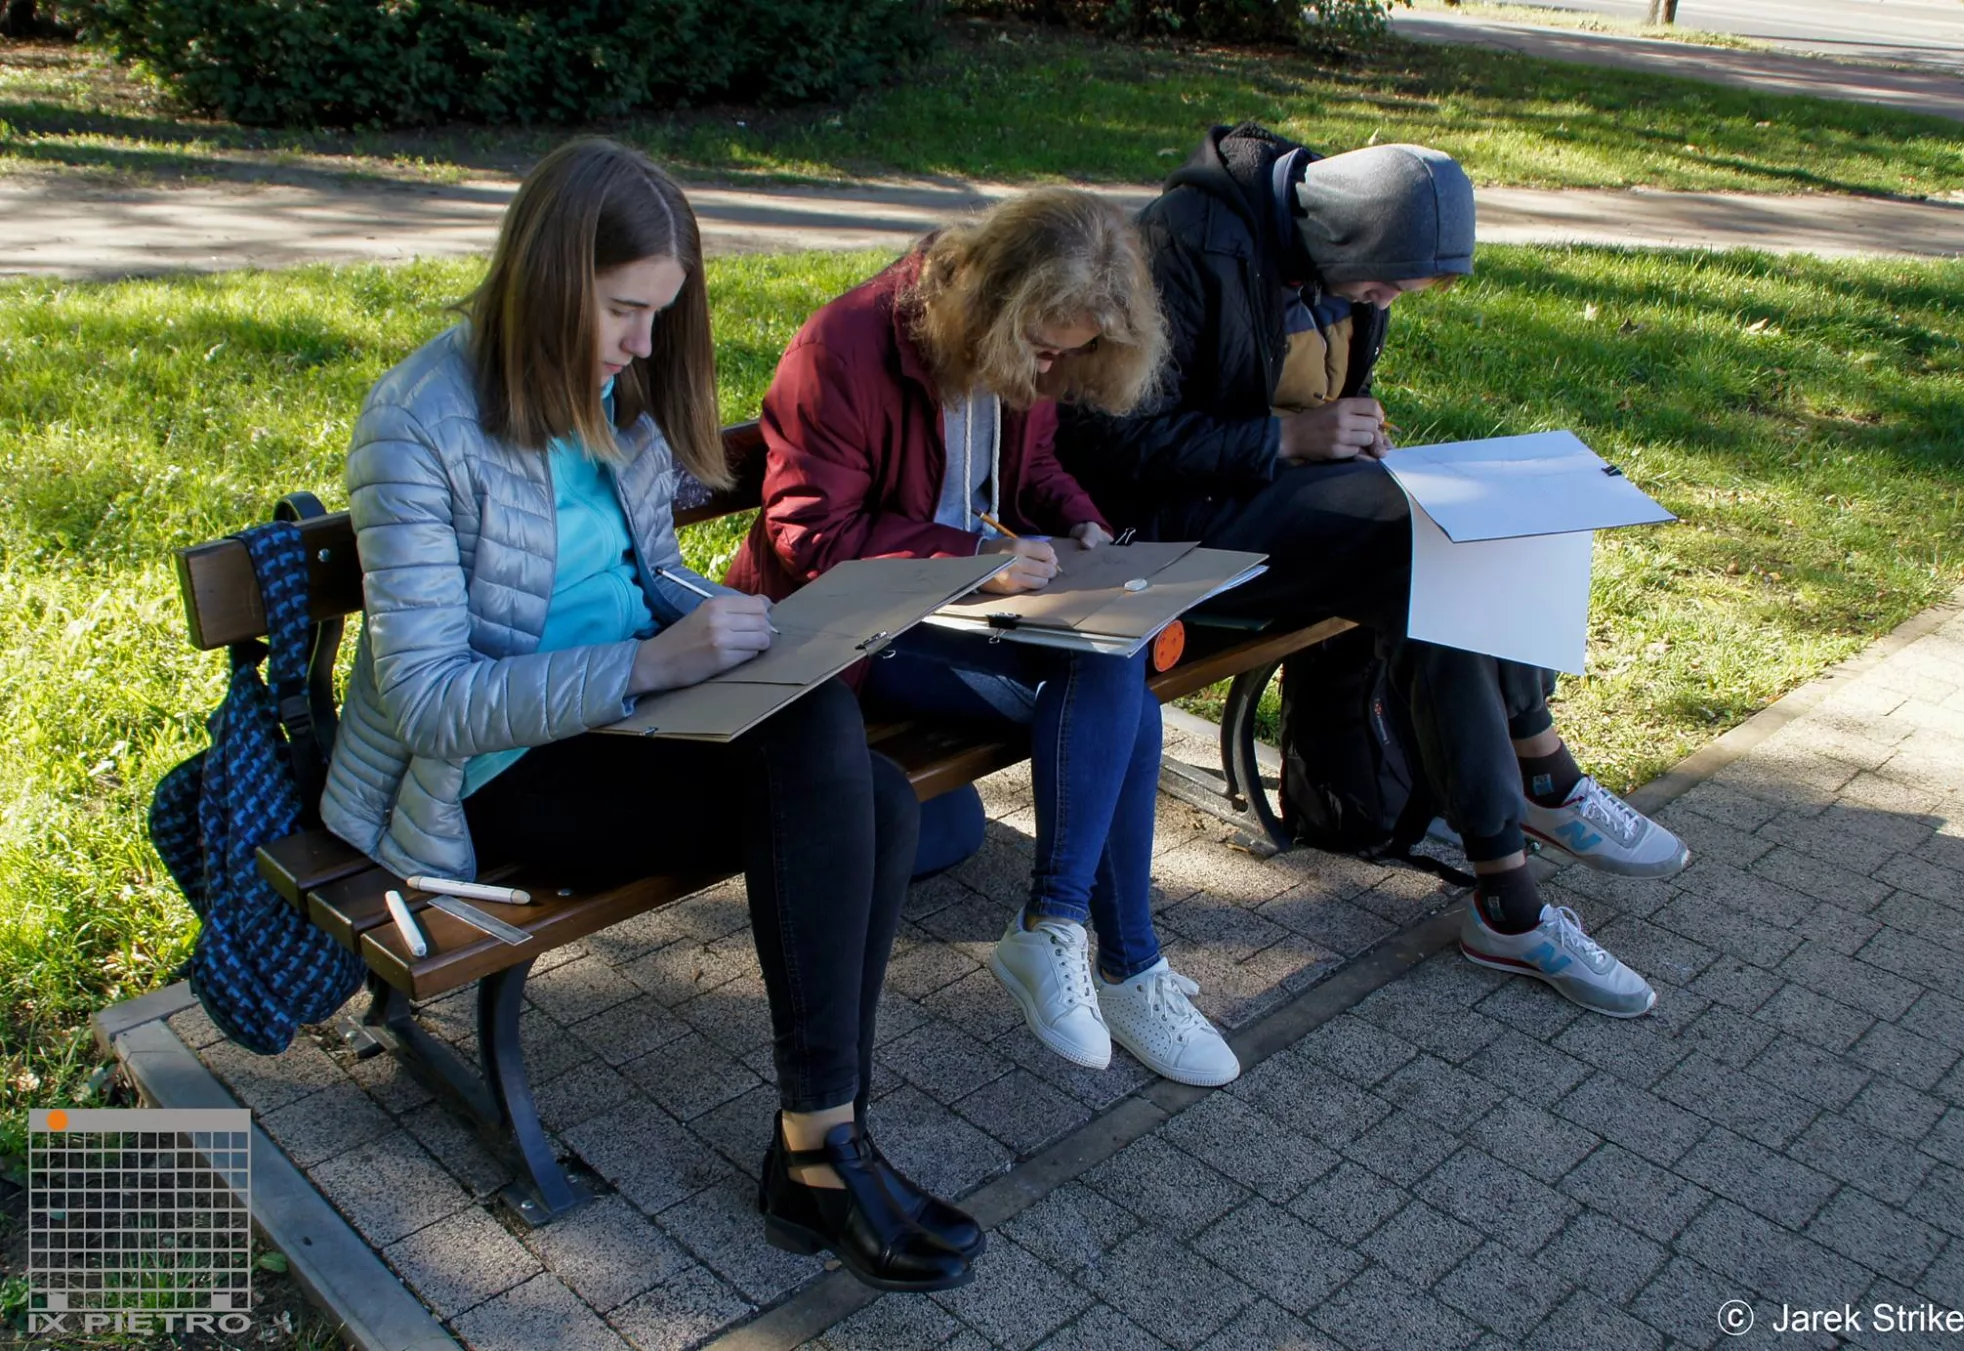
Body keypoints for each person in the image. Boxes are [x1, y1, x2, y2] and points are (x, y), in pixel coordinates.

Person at [317, 138, 978, 1290]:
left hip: (627, 718)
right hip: (500, 772)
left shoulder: (608, 391)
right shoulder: (416, 421)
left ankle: (821, 1143)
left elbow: (646, 566)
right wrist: (651, 661)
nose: (642, 347)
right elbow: (428, 700)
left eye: (659, 315)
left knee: (858, 776)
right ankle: (823, 1152)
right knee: (846, 780)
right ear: (547, 281)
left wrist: (745, 626)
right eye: (624, 311)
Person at [1057, 125, 1689, 1019]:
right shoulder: (1183, 246)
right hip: (1161, 526)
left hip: (1277, 501)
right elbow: (1106, 444)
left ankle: (1511, 884)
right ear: (1341, 238)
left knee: (1475, 531)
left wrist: (1346, 429)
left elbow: (1321, 383)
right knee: (1424, 535)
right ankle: (1537, 775)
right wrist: (1286, 437)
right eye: (1386, 283)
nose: (1386, 300)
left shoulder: (1332, 258)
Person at [727, 188, 1241, 1087]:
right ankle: (1113, 956)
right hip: (852, 638)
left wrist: (1082, 528)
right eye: (1045, 349)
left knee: (1114, 665)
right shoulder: (840, 350)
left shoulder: (1018, 354)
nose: (1049, 373)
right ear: (998, 302)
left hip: (961, 615)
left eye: (1069, 358)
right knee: (1118, 691)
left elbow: (1033, 468)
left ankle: (1083, 942)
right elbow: (808, 537)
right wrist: (972, 558)